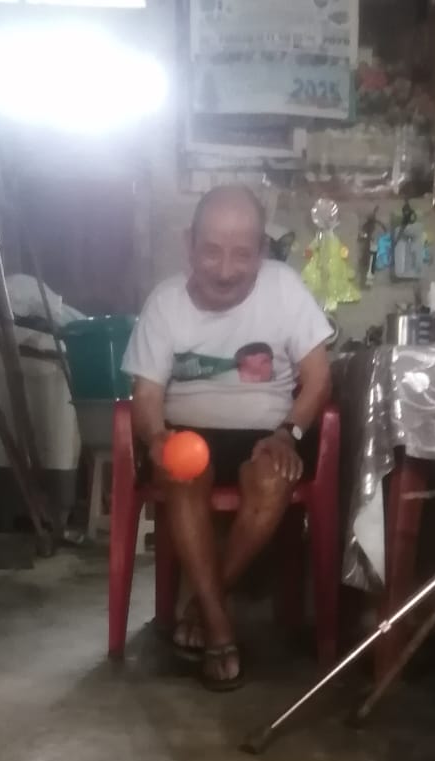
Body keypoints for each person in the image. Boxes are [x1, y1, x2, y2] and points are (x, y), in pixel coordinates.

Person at [122, 185, 332, 690]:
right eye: (211, 250)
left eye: (242, 254)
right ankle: (219, 628)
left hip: (269, 432)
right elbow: (146, 395)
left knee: (272, 478)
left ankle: (201, 607)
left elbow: (318, 378)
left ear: (261, 250)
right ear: (189, 243)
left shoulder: (284, 288)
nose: (225, 269)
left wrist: (289, 434)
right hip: (185, 432)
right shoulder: (165, 302)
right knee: (182, 473)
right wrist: (156, 438)